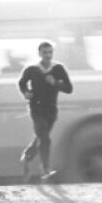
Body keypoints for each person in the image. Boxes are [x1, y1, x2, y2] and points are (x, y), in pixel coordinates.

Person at [18, 41, 73, 181]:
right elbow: (21, 82)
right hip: (36, 108)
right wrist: (26, 93)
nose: (48, 55)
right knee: (45, 138)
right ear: (39, 54)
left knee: (41, 137)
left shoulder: (58, 68)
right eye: (44, 52)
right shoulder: (32, 69)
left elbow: (69, 88)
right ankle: (46, 169)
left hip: (51, 110)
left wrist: (55, 83)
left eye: (50, 52)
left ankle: (28, 156)